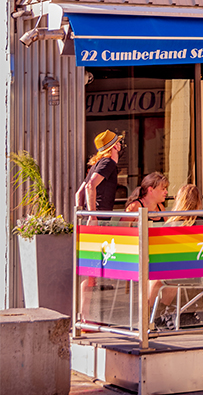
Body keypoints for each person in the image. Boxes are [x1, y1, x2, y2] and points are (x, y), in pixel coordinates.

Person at [155, 184, 203, 329]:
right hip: (201, 276)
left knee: (160, 276)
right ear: (198, 202)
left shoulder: (168, 226)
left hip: (174, 277)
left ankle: (156, 315)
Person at [77, 130, 124, 324]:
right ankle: (85, 315)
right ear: (114, 146)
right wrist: (93, 216)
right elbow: (89, 188)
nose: (121, 146)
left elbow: (79, 192)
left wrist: (82, 213)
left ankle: (85, 314)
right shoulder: (108, 163)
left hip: (94, 219)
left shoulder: (96, 165)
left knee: (92, 270)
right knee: (91, 270)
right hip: (99, 219)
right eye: (119, 143)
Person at [125, 172, 170, 312]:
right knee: (157, 274)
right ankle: (148, 312)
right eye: (163, 189)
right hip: (139, 255)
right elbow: (121, 233)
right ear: (151, 190)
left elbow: (167, 230)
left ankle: (160, 311)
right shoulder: (135, 207)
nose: (166, 192)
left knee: (176, 271)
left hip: (157, 253)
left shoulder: (160, 208)